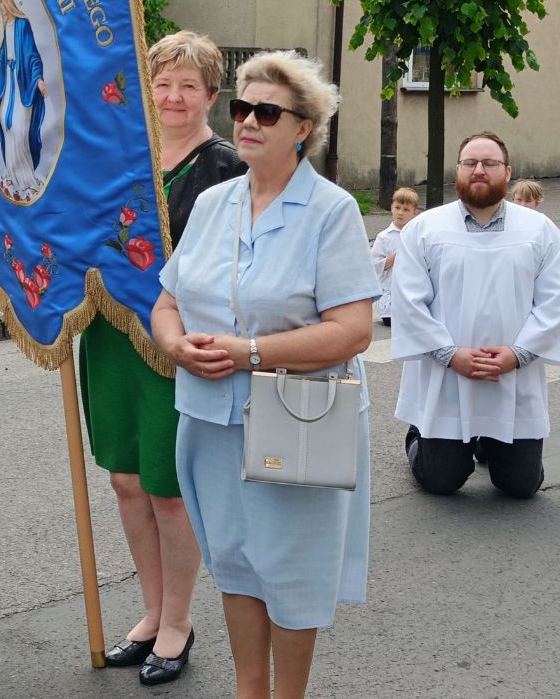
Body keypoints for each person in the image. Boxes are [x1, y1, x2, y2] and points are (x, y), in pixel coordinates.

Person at [152, 51, 378, 699]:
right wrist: (176, 345)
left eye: (267, 111)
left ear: (303, 127)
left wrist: (249, 351)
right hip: (209, 410)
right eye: (241, 107)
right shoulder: (215, 201)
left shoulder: (331, 211)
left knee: (292, 568)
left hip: (297, 407)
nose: (247, 121)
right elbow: (168, 298)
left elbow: (353, 330)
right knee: (235, 562)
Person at [79, 30, 244, 686]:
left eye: (187, 84)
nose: (173, 95)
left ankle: (177, 621)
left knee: (168, 490)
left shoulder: (223, 167)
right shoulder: (120, 154)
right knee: (124, 481)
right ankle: (150, 613)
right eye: (162, 83)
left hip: (178, 345)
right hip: (109, 335)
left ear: (210, 93)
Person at [392, 131, 560, 499]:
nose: (478, 170)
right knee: (440, 481)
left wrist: (517, 355)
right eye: (469, 163)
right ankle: (420, 435)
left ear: (507, 172)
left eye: (489, 163)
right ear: (457, 171)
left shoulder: (540, 231)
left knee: (520, 486)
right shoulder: (425, 229)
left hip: (512, 374)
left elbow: (554, 303)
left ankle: (489, 442)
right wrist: (449, 354)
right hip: (447, 372)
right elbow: (409, 301)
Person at [0, 0, 48, 201]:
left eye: (2, 0)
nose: (0, 5)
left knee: (19, 128)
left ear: (8, 0)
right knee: (7, 126)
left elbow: (33, 55)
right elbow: (2, 57)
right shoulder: (6, 26)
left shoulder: (22, 24)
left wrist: (38, 80)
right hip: (8, 83)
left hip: (22, 83)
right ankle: (13, 177)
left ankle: (26, 179)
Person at [370, 186, 420, 326]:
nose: (400, 213)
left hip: (412, 287)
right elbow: (373, 265)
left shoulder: (418, 235)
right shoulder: (384, 237)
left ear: (415, 212)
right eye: (397, 208)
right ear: (392, 208)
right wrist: (395, 257)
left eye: (406, 210)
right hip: (390, 288)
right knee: (392, 320)